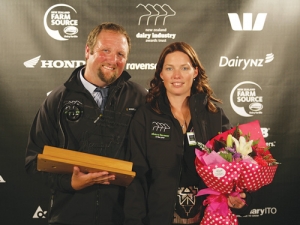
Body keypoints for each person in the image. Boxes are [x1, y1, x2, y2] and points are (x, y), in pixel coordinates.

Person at [25, 22, 147, 225]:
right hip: (69, 217)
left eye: (120, 54)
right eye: (105, 50)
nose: (113, 60)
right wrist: (70, 183)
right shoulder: (57, 100)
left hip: (124, 218)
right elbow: (33, 162)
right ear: (88, 50)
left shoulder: (140, 99)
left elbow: (154, 161)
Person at [124, 42, 251, 225]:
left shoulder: (214, 117)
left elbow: (239, 167)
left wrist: (241, 199)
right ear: (161, 73)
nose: (177, 75)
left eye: (184, 68)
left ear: (195, 71)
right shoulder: (145, 117)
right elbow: (136, 179)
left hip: (207, 219)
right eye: (169, 68)